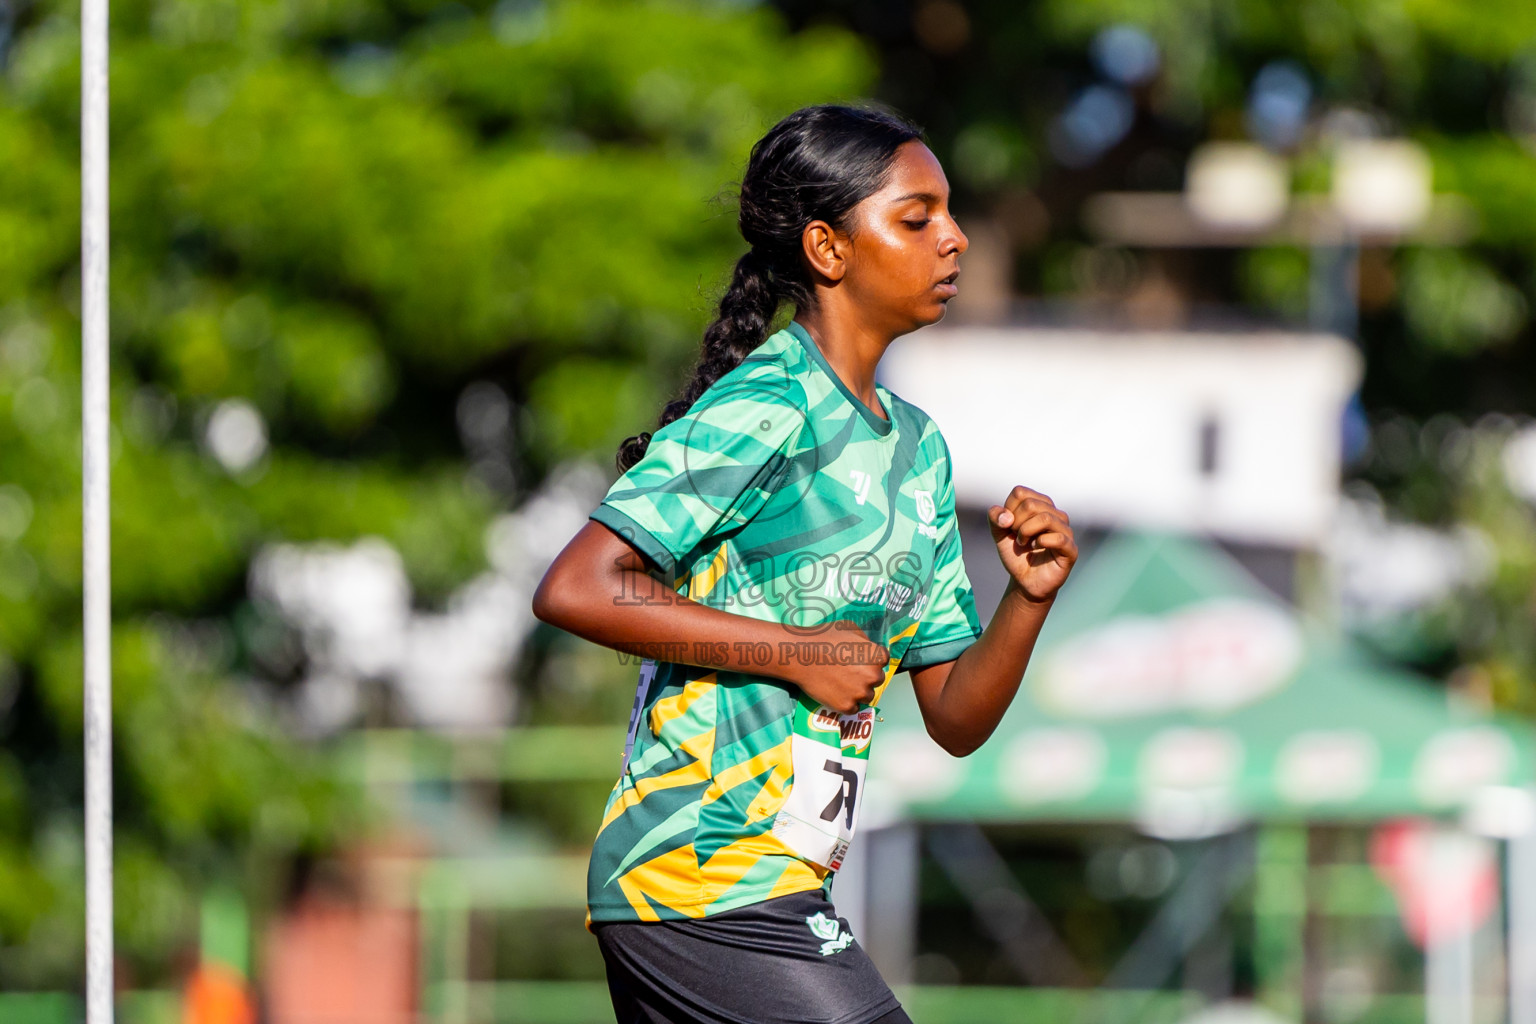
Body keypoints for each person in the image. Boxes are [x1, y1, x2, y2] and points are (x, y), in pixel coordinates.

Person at [532, 103, 1077, 1024]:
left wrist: (1027, 601)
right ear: (828, 249)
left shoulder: (921, 451)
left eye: (950, 213)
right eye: (917, 218)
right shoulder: (771, 404)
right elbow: (577, 585)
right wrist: (797, 652)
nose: (955, 238)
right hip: (695, 871)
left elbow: (954, 716)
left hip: (777, 884)